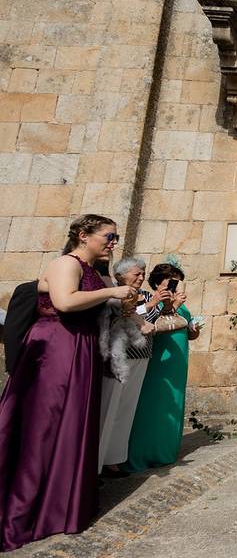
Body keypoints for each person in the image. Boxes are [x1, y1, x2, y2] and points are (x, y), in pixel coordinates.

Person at [0, 215, 136, 551]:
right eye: (108, 236)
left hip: (82, 348)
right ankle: (25, 508)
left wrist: (122, 303)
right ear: (82, 235)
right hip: (55, 351)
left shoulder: (96, 271)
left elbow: (99, 309)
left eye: (116, 237)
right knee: (44, 426)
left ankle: (60, 504)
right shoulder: (66, 263)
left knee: (73, 426)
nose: (113, 242)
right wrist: (111, 291)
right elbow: (63, 301)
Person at [123, 261, 201, 473]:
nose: (175, 286)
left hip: (179, 358)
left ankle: (165, 450)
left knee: (172, 401)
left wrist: (194, 328)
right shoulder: (149, 298)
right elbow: (143, 320)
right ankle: (142, 453)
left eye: (178, 282)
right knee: (153, 401)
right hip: (159, 357)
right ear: (158, 282)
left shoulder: (182, 304)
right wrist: (169, 305)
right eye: (171, 281)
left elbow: (187, 329)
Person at [98, 257, 167, 479]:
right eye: (136, 273)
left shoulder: (146, 294)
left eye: (142, 273)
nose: (141, 277)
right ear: (120, 276)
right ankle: (96, 461)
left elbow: (152, 321)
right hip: (119, 357)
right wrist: (152, 304)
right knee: (108, 408)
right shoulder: (114, 290)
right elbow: (122, 313)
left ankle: (114, 460)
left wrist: (161, 304)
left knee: (125, 409)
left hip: (141, 355)